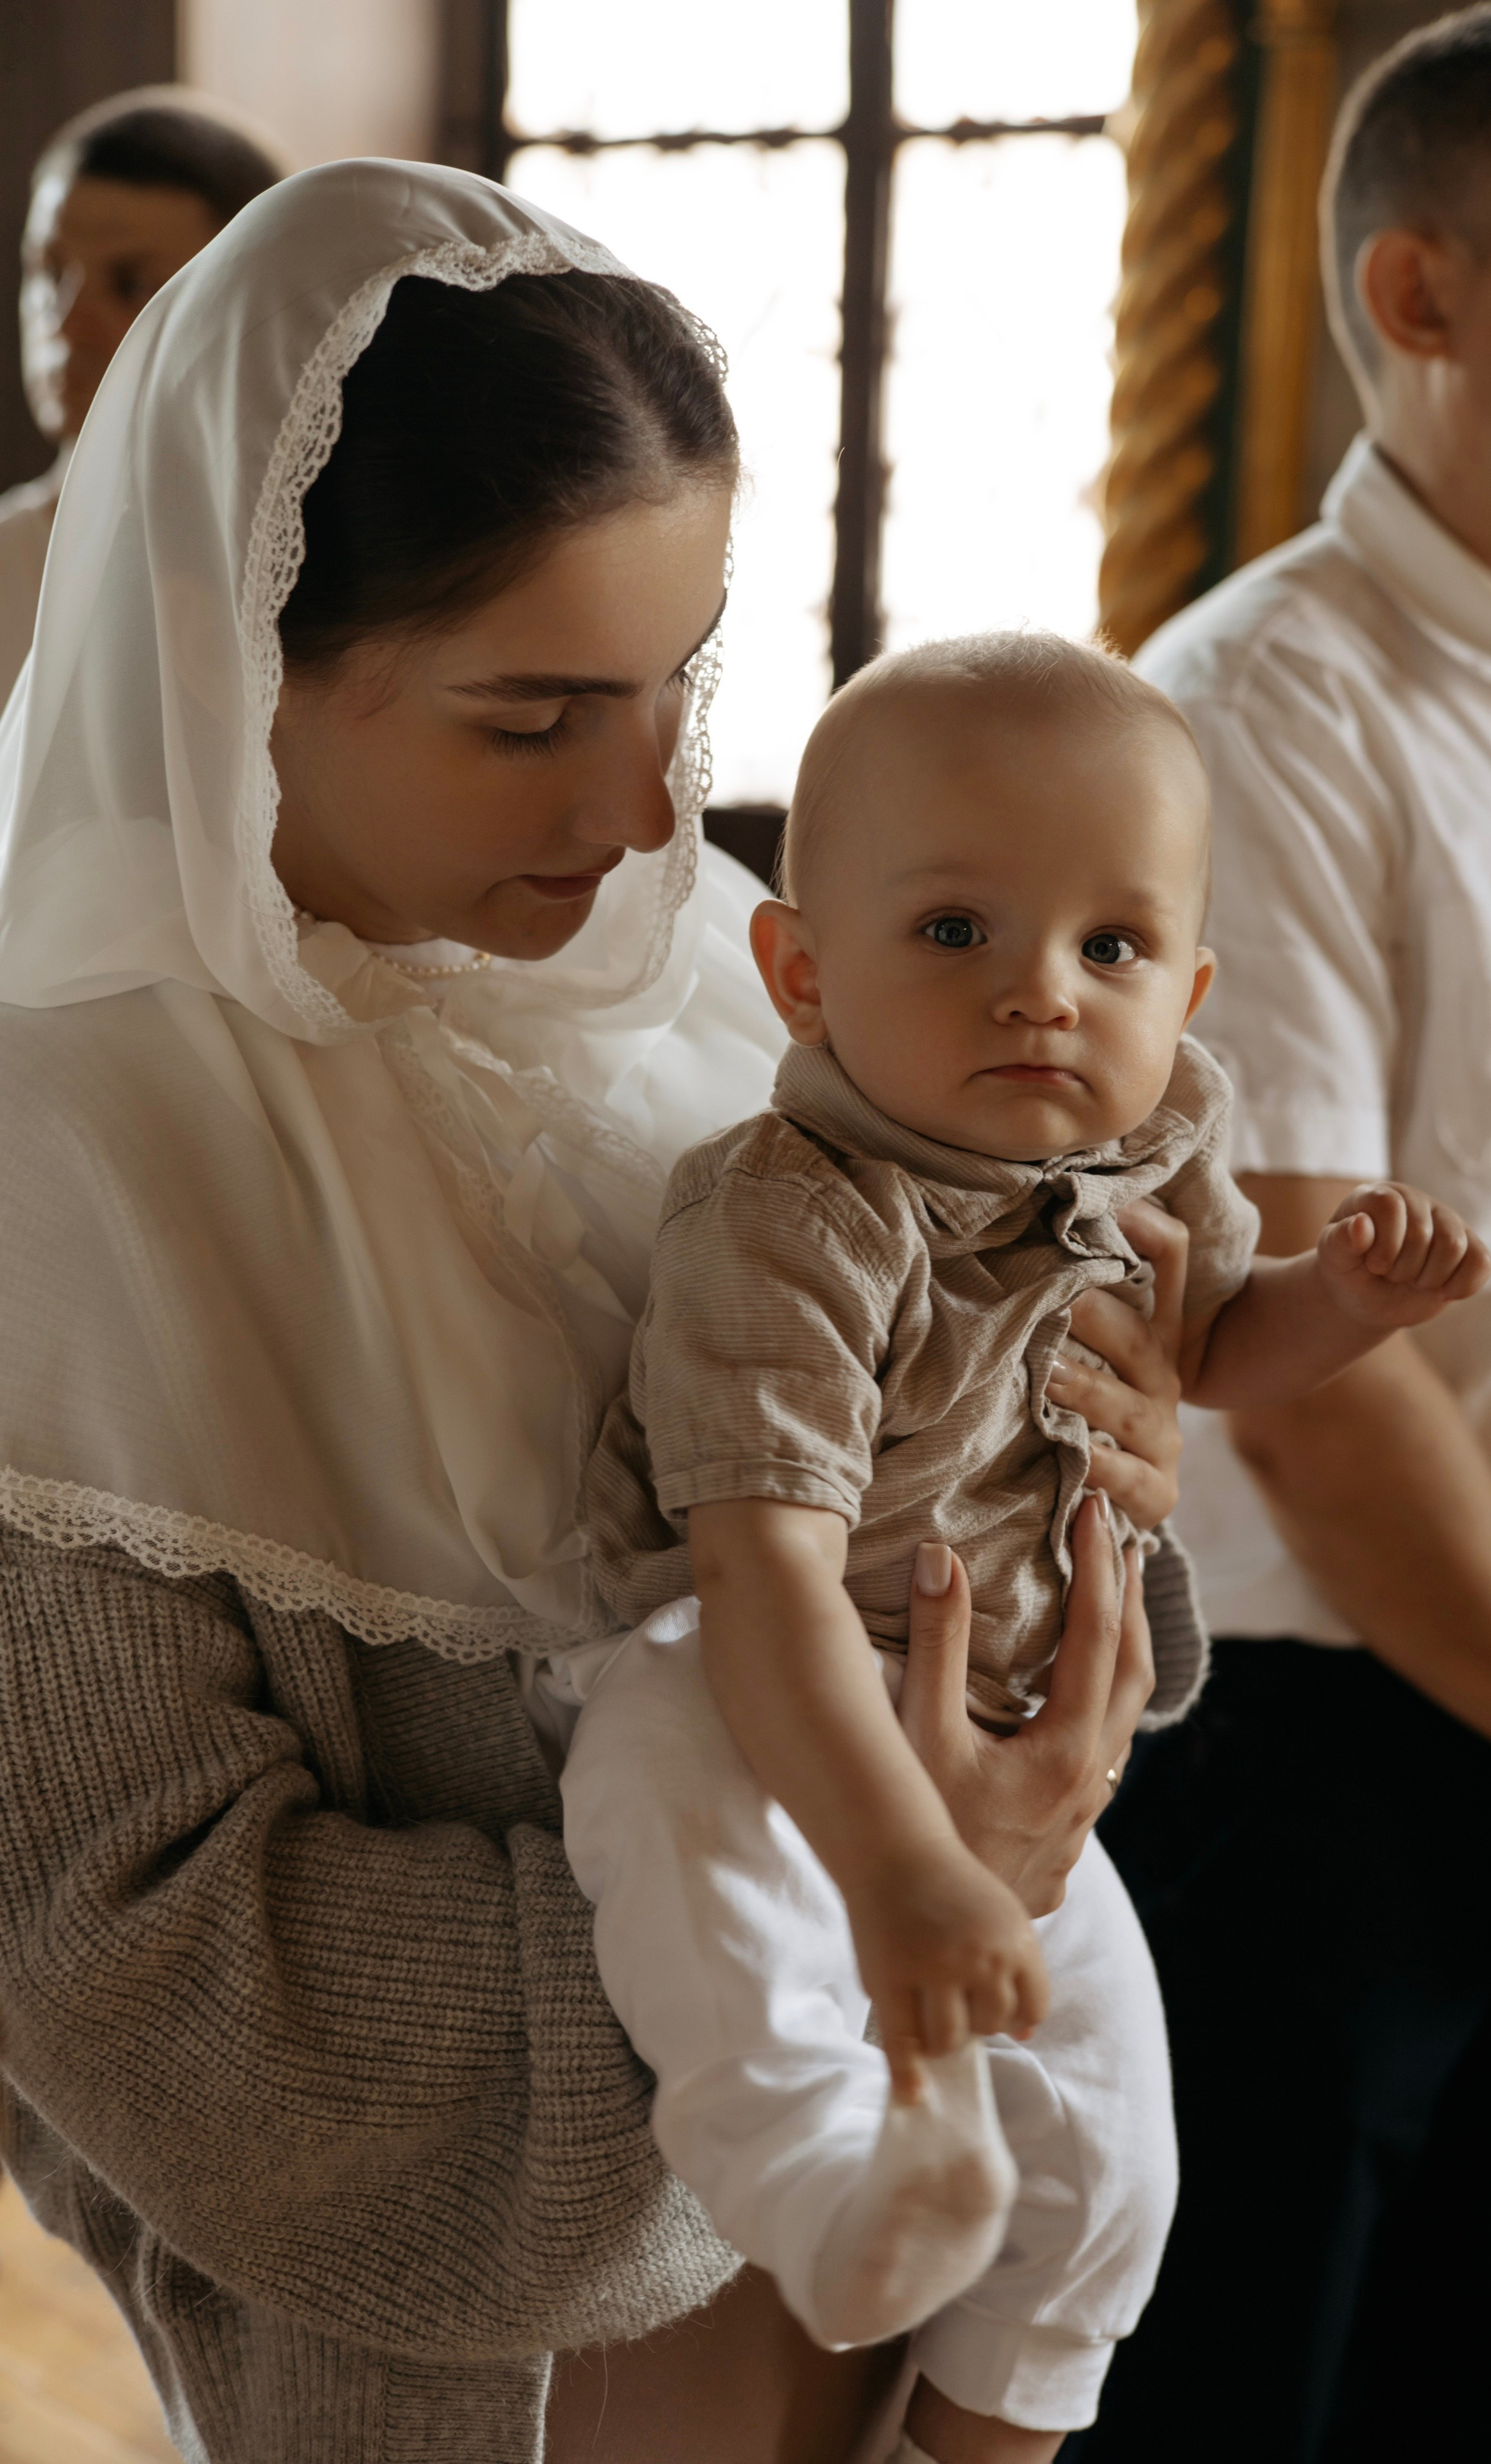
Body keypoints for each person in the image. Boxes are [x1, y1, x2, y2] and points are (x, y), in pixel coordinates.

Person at [0, 160, 1182, 2463]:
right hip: (455, 2365)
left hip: (901, 2278)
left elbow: (932, 1512)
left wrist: (1082, 1495)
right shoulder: (65, 1164)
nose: (648, 802)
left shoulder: (715, 1016)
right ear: (231, 646)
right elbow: (152, 1976)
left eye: (675, 686)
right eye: (528, 715)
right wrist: (872, 1897)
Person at [567, 631, 1488, 2464]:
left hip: (1005, 1744)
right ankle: (827, 2182)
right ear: (802, 971)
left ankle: (976, 2447)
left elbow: (1215, 1348)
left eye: (1114, 950)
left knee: (1125, 2148)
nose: (1045, 997)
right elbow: (759, 1567)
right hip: (762, 1691)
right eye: (957, 933)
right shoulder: (797, 1218)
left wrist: (1344, 1304)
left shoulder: (1151, 1168)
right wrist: (901, 1870)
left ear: (1193, 989)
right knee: (699, 1879)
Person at [1077, 5, 1491, 2459]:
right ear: (1415, 299)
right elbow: (1300, 1371)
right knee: (1241, 2416)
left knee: (1463, 2394)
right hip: (1318, 1746)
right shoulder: (1252, 713)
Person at [0, 86, 287, 701]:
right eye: (50, 274)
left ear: (241, 309)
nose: (66, 322)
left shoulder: (317, 575)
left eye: (130, 284)